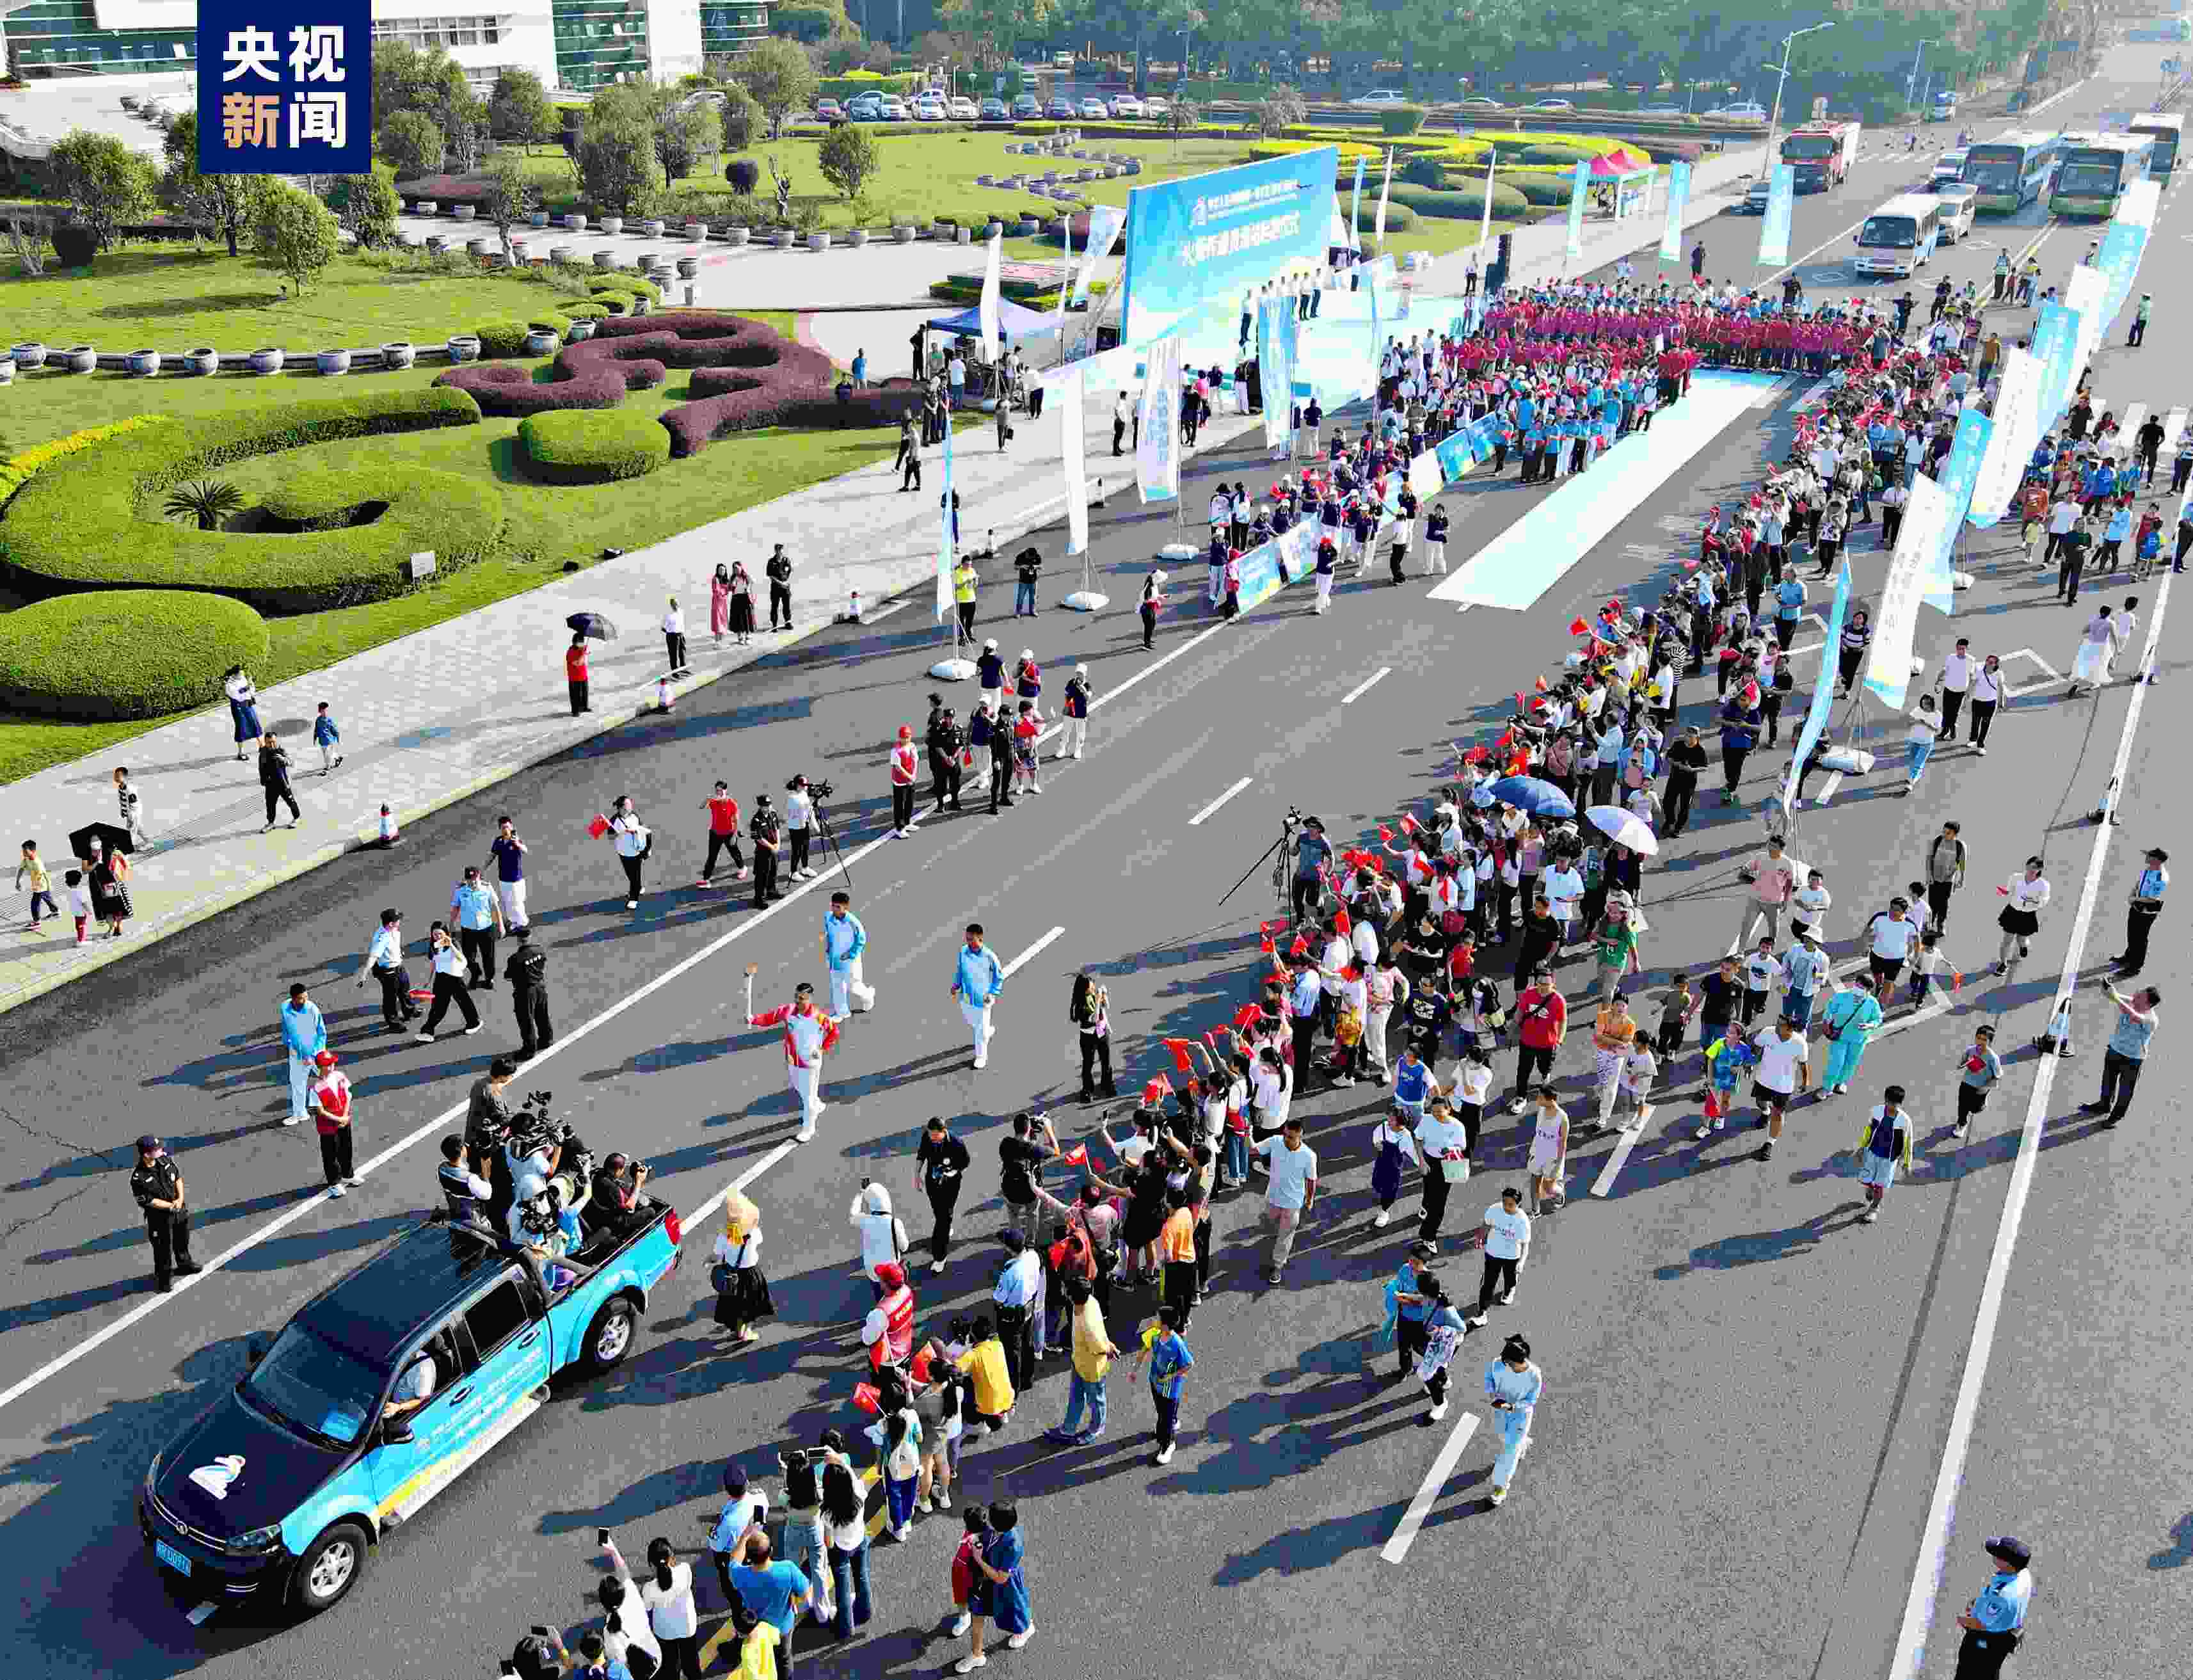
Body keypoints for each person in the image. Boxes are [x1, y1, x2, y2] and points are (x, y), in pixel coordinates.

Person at [743, 967, 840, 1143]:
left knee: (808, 1099)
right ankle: (816, 1104)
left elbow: (834, 1033)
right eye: (796, 997)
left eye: (802, 998)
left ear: (810, 999)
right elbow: (769, 1018)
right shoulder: (788, 1011)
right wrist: (753, 1020)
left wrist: (822, 1049)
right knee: (800, 1088)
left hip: (810, 1063)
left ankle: (808, 1129)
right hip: (793, 1060)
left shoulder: (819, 1017)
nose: (798, 1001)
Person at [1951, 1535, 2034, 1677]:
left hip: (1987, 1640)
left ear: (2008, 1564)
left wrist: (1962, 1620)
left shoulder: (2002, 1595)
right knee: (1990, 1671)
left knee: (1969, 1671)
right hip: (2003, 1635)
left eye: (1998, 1554)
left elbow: (1981, 1624)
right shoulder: (2023, 1574)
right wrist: (1978, 1605)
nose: (1994, 1555)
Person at [2082, 980, 2160, 1128]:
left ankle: (2115, 1117)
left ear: (2148, 1005)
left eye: (2140, 996)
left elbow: (2134, 1016)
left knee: (2125, 1091)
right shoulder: (2134, 1002)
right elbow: (2114, 996)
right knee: (2108, 1082)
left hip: (2133, 1059)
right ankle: (2104, 1105)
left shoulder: (2151, 1020)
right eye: (2138, 993)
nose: (2136, 996)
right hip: (2115, 1050)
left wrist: (2116, 998)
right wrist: (2109, 989)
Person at [1253, 1115, 1317, 1284]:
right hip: (1273, 1197)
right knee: (1269, 1222)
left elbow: (1311, 1180)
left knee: (1285, 1235)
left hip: (1292, 1204)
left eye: (1291, 1137)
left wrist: (1310, 1199)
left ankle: (1278, 1265)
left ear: (1300, 1136)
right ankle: (1277, 1241)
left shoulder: (1309, 1156)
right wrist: (1246, 1134)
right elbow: (1254, 1150)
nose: (1286, 1139)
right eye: (1285, 1135)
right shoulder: (1276, 1141)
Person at [129, 1135, 197, 1292]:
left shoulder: (165, 1160)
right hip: (160, 1219)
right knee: (163, 1250)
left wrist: (180, 1199)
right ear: (147, 1154)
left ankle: (185, 1265)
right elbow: (148, 1201)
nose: (161, 1150)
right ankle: (164, 1280)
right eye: (157, 1149)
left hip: (179, 1210)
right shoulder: (138, 1178)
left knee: (182, 1240)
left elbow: (177, 1178)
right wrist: (170, 1206)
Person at [1483, 1333, 1543, 1507]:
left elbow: (1531, 1401)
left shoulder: (1534, 1375)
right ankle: (1522, 1444)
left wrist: (1512, 1406)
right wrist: (1491, 1393)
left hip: (1520, 1416)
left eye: (1509, 1363)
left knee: (1509, 1452)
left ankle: (1500, 1488)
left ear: (1519, 1361)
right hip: (1500, 1412)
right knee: (1503, 1437)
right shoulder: (1498, 1364)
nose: (1506, 1365)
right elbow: (1489, 1378)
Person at [1131, 1303, 1194, 1465]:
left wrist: (1170, 1377)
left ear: (1165, 1325)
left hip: (1169, 1388)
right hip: (1155, 1382)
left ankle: (1168, 1444)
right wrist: (1135, 1370)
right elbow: (1144, 1351)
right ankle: (1169, 1423)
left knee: (1166, 1417)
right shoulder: (1155, 1335)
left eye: (1157, 1318)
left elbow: (1189, 1364)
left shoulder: (1177, 1344)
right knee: (1163, 1412)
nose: (1154, 1320)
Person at [913, 1116, 971, 1272]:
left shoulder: (956, 1143)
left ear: (944, 1131)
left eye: (935, 1136)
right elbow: (921, 1155)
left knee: (944, 1218)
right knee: (938, 1212)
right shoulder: (927, 1137)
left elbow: (966, 1162)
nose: (932, 1138)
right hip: (932, 1182)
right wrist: (917, 1176)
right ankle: (945, 1227)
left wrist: (953, 1171)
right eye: (930, 1135)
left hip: (950, 1185)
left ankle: (940, 1258)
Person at [1817, 973, 1883, 1096]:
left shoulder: (1872, 1002)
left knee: (1851, 1062)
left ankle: (1841, 1082)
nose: (1857, 989)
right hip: (1840, 1037)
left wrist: (1869, 1025)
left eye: (1861, 988)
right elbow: (1829, 1010)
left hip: (1858, 1039)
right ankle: (1827, 1087)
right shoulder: (1841, 996)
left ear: (1868, 990)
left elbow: (1878, 1019)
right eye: (1857, 985)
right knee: (1836, 1062)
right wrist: (1826, 1023)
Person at [306, 1049, 361, 1196]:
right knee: (330, 1155)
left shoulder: (340, 1076)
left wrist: (345, 1116)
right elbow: (321, 1112)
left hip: (344, 1120)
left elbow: (348, 1096)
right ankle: (334, 1183)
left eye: (332, 1064)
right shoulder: (315, 1088)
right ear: (320, 1067)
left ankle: (348, 1175)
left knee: (346, 1149)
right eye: (327, 1065)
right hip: (328, 1127)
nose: (331, 1067)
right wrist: (340, 1119)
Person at [952, 922, 1005, 1070]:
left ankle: (981, 1057)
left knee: (979, 1031)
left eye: (971, 939)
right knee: (973, 1023)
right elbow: (960, 970)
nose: (968, 942)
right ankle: (987, 1031)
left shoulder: (989, 956)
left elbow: (999, 976)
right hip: (967, 997)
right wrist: (956, 984)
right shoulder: (963, 951)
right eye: (967, 939)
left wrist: (992, 993)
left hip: (983, 999)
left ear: (980, 939)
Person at [2113, 845, 2169, 977]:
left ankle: (2135, 967)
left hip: (2146, 913)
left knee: (2140, 939)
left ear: (2156, 860)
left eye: (2149, 856)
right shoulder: (2149, 869)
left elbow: (2152, 899)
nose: (2146, 857)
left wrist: (2134, 899)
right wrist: (2133, 893)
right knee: (2132, 934)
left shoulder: (2161, 878)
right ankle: (2128, 957)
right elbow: (2139, 882)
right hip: (2137, 907)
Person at [279, 981, 327, 1126]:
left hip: (314, 1054)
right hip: (296, 1055)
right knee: (297, 1084)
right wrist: (288, 1044)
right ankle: (300, 1114)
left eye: (306, 997)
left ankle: (332, 1105)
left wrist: (313, 1056)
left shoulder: (312, 1009)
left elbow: (322, 1034)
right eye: (302, 998)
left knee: (326, 1079)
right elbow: (286, 1028)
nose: (305, 1000)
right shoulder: (285, 1007)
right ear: (293, 999)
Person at [822, 892, 875, 1016]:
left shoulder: (853, 923)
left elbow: (861, 941)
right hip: (835, 958)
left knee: (854, 986)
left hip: (850, 960)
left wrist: (850, 954)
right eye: (833, 906)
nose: (835, 909)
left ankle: (868, 995)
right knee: (837, 985)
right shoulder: (828, 917)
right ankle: (842, 1013)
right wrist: (828, 951)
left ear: (846, 907)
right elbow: (829, 935)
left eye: (838, 907)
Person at [1995, 858, 2050, 975]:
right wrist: (2003, 892)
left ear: (2040, 869)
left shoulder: (2044, 885)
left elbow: (2044, 901)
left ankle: (2023, 946)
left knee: (2021, 939)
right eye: (2030, 867)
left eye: (2035, 868)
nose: (2031, 870)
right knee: (2007, 940)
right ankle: (2003, 965)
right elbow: (2008, 891)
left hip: (2027, 915)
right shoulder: (2016, 877)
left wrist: (2033, 901)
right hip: (2013, 912)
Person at [1522, 1085, 1567, 1213]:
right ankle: (1535, 1211)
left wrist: (1558, 1165)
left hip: (1552, 1158)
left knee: (1548, 1188)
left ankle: (1559, 1192)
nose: (1537, 1100)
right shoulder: (1542, 1109)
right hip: (1538, 1153)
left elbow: (1563, 1143)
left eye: (1540, 1098)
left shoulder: (1562, 1118)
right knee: (1534, 1183)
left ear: (1551, 1100)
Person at [256, 731, 301, 831]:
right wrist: (263, 780)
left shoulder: (281, 751)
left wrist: (283, 759)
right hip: (270, 784)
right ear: (265, 742)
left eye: (274, 742)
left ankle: (297, 818)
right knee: (270, 805)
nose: (272, 745)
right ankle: (271, 823)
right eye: (269, 743)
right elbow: (261, 767)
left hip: (283, 783)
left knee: (291, 802)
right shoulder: (263, 753)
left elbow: (292, 763)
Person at [749, 793, 783, 908]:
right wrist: (772, 847)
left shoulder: (773, 814)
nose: (768, 807)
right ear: (760, 806)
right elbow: (758, 838)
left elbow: (777, 829)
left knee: (773, 872)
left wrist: (778, 844)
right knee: (762, 876)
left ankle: (771, 891)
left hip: (774, 849)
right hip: (763, 852)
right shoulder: (756, 820)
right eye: (765, 806)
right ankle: (759, 899)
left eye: (769, 805)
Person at [223, 664, 263, 758]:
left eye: (242, 674)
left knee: (255, 723)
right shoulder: (229, 684)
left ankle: (262, 746)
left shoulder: (243, 679)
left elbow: (251, 691)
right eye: (241, 674)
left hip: (247, 705)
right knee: (241, 727)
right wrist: (247, 688)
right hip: (238, 707)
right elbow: (236, 695)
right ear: (235, 674)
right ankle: (240, 753)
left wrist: (250, 685)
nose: (242, 675)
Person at [888, 725, 919, 838]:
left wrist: (913, 775)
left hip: (910, 780)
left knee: (910, 802)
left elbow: (915, 761)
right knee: (899, 805)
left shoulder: (912, 746)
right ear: (899, 738)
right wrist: (910, 777)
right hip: (900, 782)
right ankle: (899, 828)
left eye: (907, 737)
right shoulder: (895, 751)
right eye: (903, 737)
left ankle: (907, 822)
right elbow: (898, 767)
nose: (906, 739)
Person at [765, 543, 794, 632]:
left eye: (781, 550)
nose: (779, 552)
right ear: (775, 551)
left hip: (785, 587)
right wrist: (781, 583)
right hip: (776, 588)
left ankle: (788, 623)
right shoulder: (771, 561)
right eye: (777, 550)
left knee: (787, 606)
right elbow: (771, 576)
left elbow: (789, 571)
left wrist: (787, 582)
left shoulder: (786, 560)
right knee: (775, 606)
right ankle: (774, 625)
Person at [566, 633, 591, 716]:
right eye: (580, 642)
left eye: (582, 642)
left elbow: (585, 657)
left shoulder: (582, 649)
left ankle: (584, 707)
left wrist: (585, 653)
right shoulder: (570, 652)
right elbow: (577, 663)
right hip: (575, 678)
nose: (582, 644)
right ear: (574, 642)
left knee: (584, 693)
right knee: (576, 695)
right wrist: (582, 656)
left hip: (583, 676)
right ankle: (575, 711)